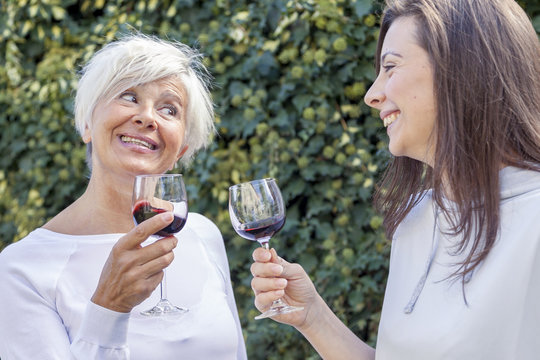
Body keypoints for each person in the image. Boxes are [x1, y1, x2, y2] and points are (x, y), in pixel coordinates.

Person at [250, 0, 540, 359]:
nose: (372, 95)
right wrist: (312, 317)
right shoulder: (416, 217)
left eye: (390, 67)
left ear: (462, 70)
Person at [0, 34, 247, 359]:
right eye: (129, 97)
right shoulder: (21, 270)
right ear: (87, 124)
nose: (147, 117)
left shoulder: (202, 234)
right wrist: (108, 307)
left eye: (169, 109)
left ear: (181, 150)